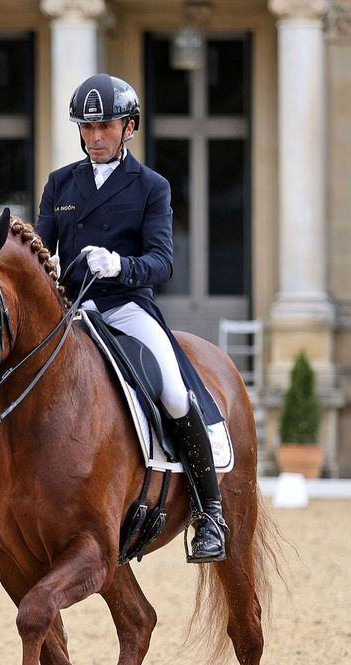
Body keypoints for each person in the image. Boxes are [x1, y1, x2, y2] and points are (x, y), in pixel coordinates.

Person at [32, 73, 228, 563]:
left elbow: (163, 261)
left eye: (105, 127)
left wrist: (120, 265)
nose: (94, 138)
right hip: (73, 313)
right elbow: (39, 247)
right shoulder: (61, 183)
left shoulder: (150, 187)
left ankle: (210, 513)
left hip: (125, 309)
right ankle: (3, 515)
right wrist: (44, 267)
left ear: (130, 127)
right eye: (87, 128)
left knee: (174, 393)